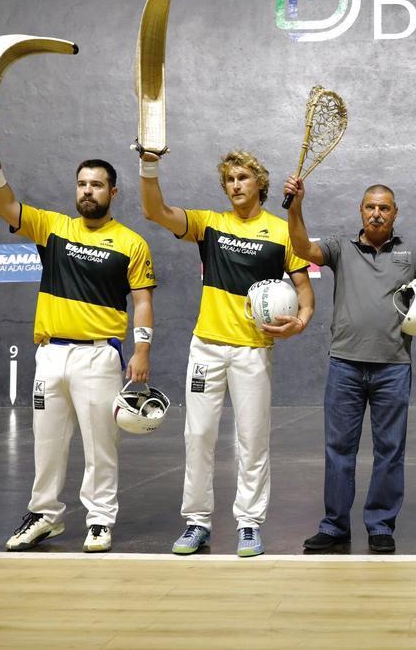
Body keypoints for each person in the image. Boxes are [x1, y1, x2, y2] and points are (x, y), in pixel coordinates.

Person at [0, 133, 156, 554]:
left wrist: (142, 349)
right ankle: (45, 516)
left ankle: (99, 520)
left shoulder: (131, 242)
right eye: (81, 184)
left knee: (101, 445)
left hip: (98, 355)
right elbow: (5, 204)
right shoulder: (52, 227)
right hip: (50, 355)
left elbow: (143, 299)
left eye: (96, 185)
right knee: (47, 440)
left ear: (112, 191)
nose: (87, 191)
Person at [138, 149, 314, 556]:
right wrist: (149, 165)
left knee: (252, 439)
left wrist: (299, 323)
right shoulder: (209, 225)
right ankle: (197, 522)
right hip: (207, 348)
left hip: (253, 351)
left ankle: (249, 524)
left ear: (260, 185)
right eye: (230, 180)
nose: (235, 185)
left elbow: (305, 293)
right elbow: (154, 210)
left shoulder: (281, 232)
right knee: (198, 435)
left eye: (243, 178)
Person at [285, 179, 416, 553]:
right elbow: (301, 247)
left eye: (384, 208)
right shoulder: (340, 247)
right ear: (360, 211)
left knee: (390, 449)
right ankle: (334, 526)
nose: (376, 213)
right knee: (338, 449)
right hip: (345, 365)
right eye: (370, 207)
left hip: (393, 366)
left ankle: (380, 525)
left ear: (395, 213)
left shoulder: (411, 253)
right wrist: (295, 207)